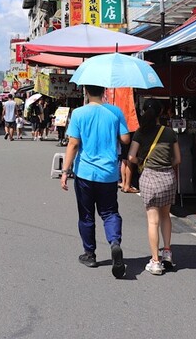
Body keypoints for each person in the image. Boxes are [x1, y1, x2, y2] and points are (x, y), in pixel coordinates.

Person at [60, 84, 131, 278]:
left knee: (86, 215)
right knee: (109, 212)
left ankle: (89, 254)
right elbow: (125, 139)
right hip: (108, 173)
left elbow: (73, 144)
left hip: (85, 173)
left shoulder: (79, 113)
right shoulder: (115, 111)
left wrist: (65, 171)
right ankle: (114, 242)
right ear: (104, 91)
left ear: (86, 91)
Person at [127, 98, 181, 276]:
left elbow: (131, 157)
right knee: (166, 216)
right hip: (167, 178)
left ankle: (155, 261)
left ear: (144, 112)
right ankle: (167, 253)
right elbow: (178, 160)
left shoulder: (140, 133)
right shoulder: (169, 132)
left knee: (153, 221)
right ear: (160, 113)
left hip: (149, 176)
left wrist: (142, 161)